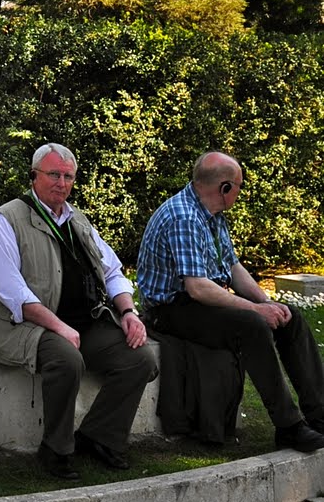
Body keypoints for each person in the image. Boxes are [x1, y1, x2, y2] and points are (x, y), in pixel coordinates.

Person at [0, 143, 158, 480]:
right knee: (66, 358)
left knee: (140, 358)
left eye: (67, 176)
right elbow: (12, 293)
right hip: (25, 327)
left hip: (85, 323)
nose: (61, 183)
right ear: (34, 177)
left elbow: (111, 272)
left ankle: (99, 437)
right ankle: (56, 449)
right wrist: (59, 327)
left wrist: (128, 312)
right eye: (53, 175)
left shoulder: (77, 220)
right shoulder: (6, 221)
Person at [137, 151, 324, 454]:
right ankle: (288, 426)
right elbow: (197, 288)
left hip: (201, 299)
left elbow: (233, 269)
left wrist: (269, 304)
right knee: (251, 324)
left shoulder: (212, 214)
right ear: (224, 188)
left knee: (291, 317)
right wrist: (256, 310)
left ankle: (319, 415)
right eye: (238, 186)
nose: (239, 193)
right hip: (170, 309)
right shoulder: (183, 217)